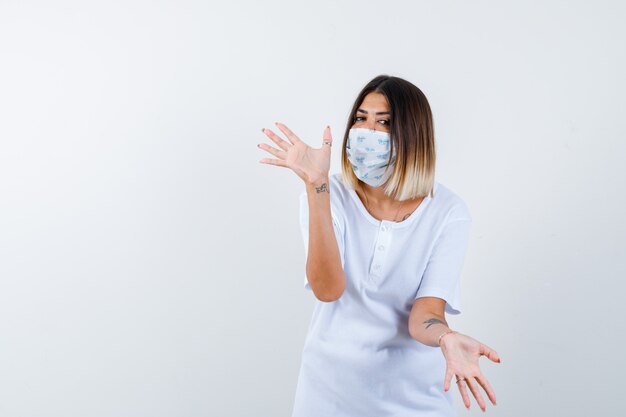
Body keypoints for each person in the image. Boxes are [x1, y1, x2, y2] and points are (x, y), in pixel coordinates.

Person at [257, 75, 501, 416]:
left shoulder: (448, 212)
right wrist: (317, 185)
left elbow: (426, 315)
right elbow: (327, 289)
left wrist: (446, 337)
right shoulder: (331, 194)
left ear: (413, 135)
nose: (366, 131)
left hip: (414, 398)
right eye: (360, 118)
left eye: (383, 122)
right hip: (329, 394)